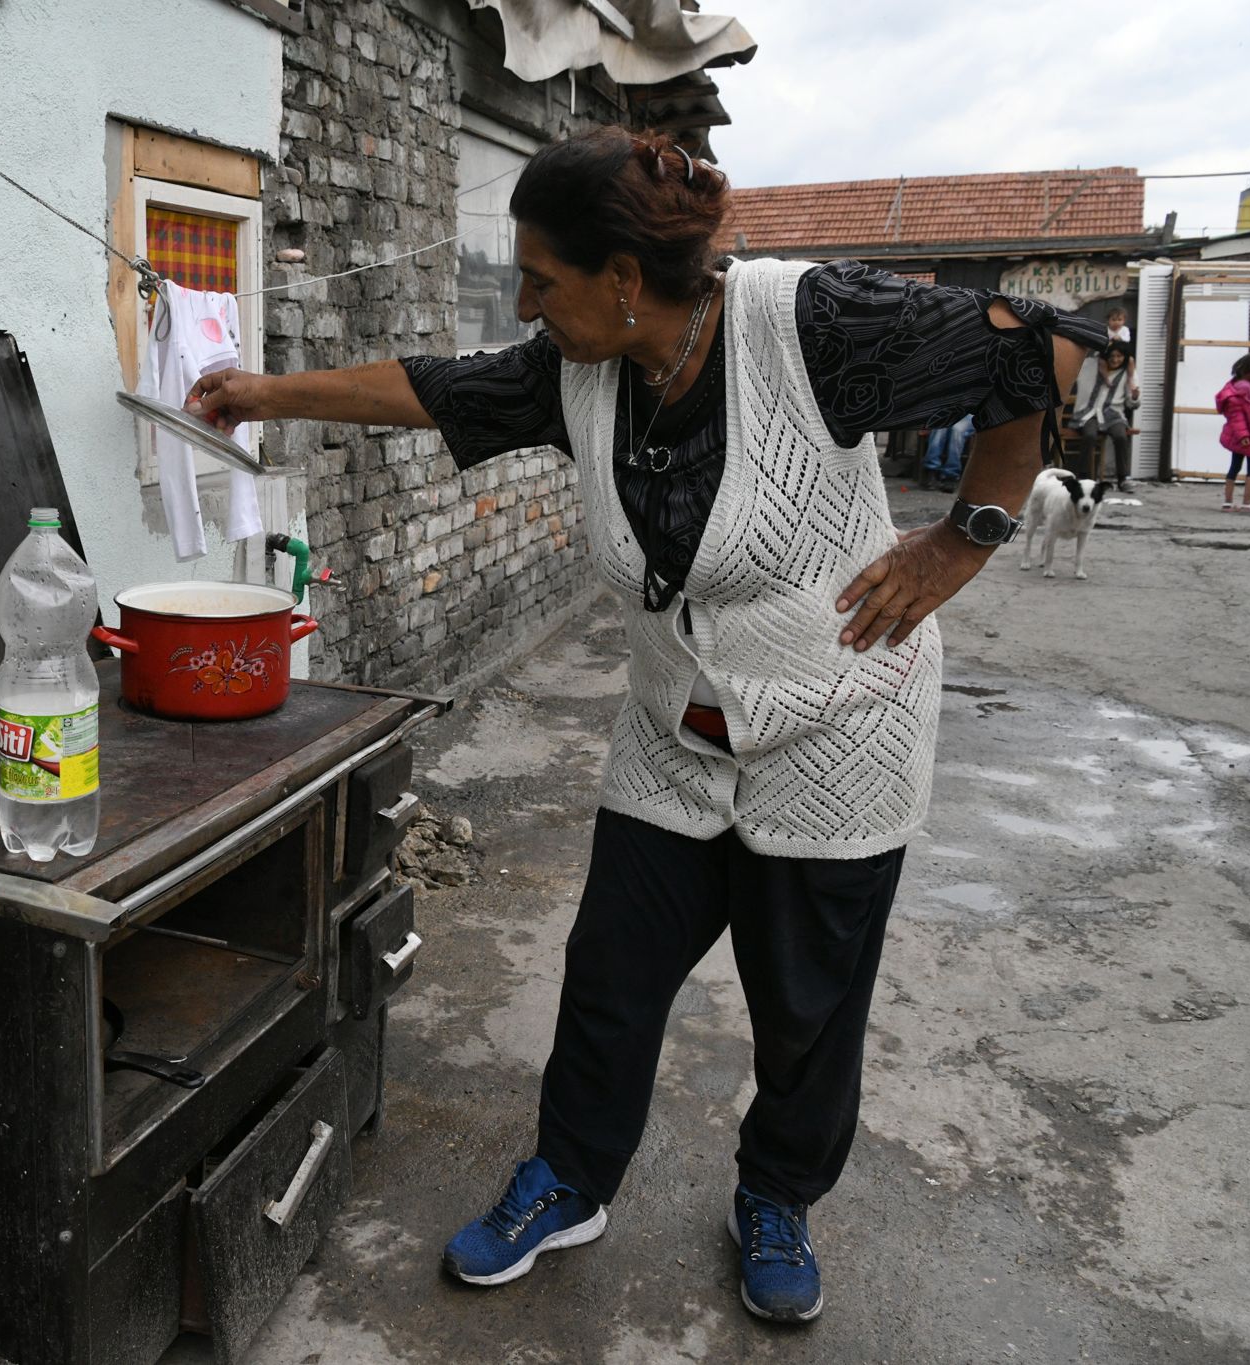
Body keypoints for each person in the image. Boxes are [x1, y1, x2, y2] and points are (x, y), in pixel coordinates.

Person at [185, 126, 1099, 1325]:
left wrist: (959, 537)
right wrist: (262, 395)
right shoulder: (579, 371)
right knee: (608, 979)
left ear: (621, 280)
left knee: (806, 1010)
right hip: (671, 742)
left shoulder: (810, 325)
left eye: (538, 279)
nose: (523, 303)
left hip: (835, 742)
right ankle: (569, 1177)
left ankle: (776, 1198)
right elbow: (431, 387)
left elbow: (1050, 348)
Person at [1074, 341, 1137, 490]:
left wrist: (1134, 396)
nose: (1115, 360)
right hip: (1089, 413)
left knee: (1121, 436)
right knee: (1089, 435)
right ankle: (1083, 477)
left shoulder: (1129, 373)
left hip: (1113, 414)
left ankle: (1123, 478)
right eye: (1112, 355)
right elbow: (1085, 355)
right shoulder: (1091, 366)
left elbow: (1132, 404)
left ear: (1126, 357)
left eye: (1119, 356)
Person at [1217, 353, 1250, 512]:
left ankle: (1228, 502)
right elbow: (1236, 416)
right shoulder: (1244, 388)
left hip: (1247, 435)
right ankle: (1247, 502)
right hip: (1248, 436)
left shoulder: (1241, 385)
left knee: (1235, 466)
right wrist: (1244, 436)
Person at [921, 413, 975, 492]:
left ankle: (951, 475)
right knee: (939, 429)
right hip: (950, 410)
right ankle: (931, 471)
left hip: (969, 413)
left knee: (957, 430)